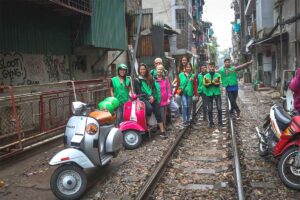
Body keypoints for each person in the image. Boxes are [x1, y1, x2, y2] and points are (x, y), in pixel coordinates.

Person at [134, 63, 167, 138]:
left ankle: (162, 130)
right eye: (141, 69)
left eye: (144, 69)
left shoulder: (150, 77)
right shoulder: (137, 80)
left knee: (157, 111)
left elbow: (154, 88)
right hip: (143, 98)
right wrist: (149, 97)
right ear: (139, 70)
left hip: (152, 97)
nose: (143, 70)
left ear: (146, 70)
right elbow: (139, 92)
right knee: (149, 108)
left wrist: (153, 96)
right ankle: (146, 125)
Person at [204, 62, 222, 129]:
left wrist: (210, 83)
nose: (212, 68)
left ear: (214, 67)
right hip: (209, 94)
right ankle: (211, 123)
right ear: (208, 67)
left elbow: (218, 84)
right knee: (209, 109)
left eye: (213, 67)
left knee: (219, 108)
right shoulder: (205, 76)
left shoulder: (218, 75)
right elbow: (206, 86)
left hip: (217, 93)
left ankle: (220, 123)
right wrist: (213, 82)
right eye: (210, 67)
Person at [153, 64, 172, 129]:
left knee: (164, 114)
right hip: (157, 100)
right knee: (159, 115)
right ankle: (161, 128)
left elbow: (169, 89)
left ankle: (164, 127)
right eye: (158, 69)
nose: (160, 71)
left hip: (165, 100)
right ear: (156, 70)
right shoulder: (153, 79)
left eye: (161, 69)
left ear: (163, 70)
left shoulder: (165, 79)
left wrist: (169, 98)